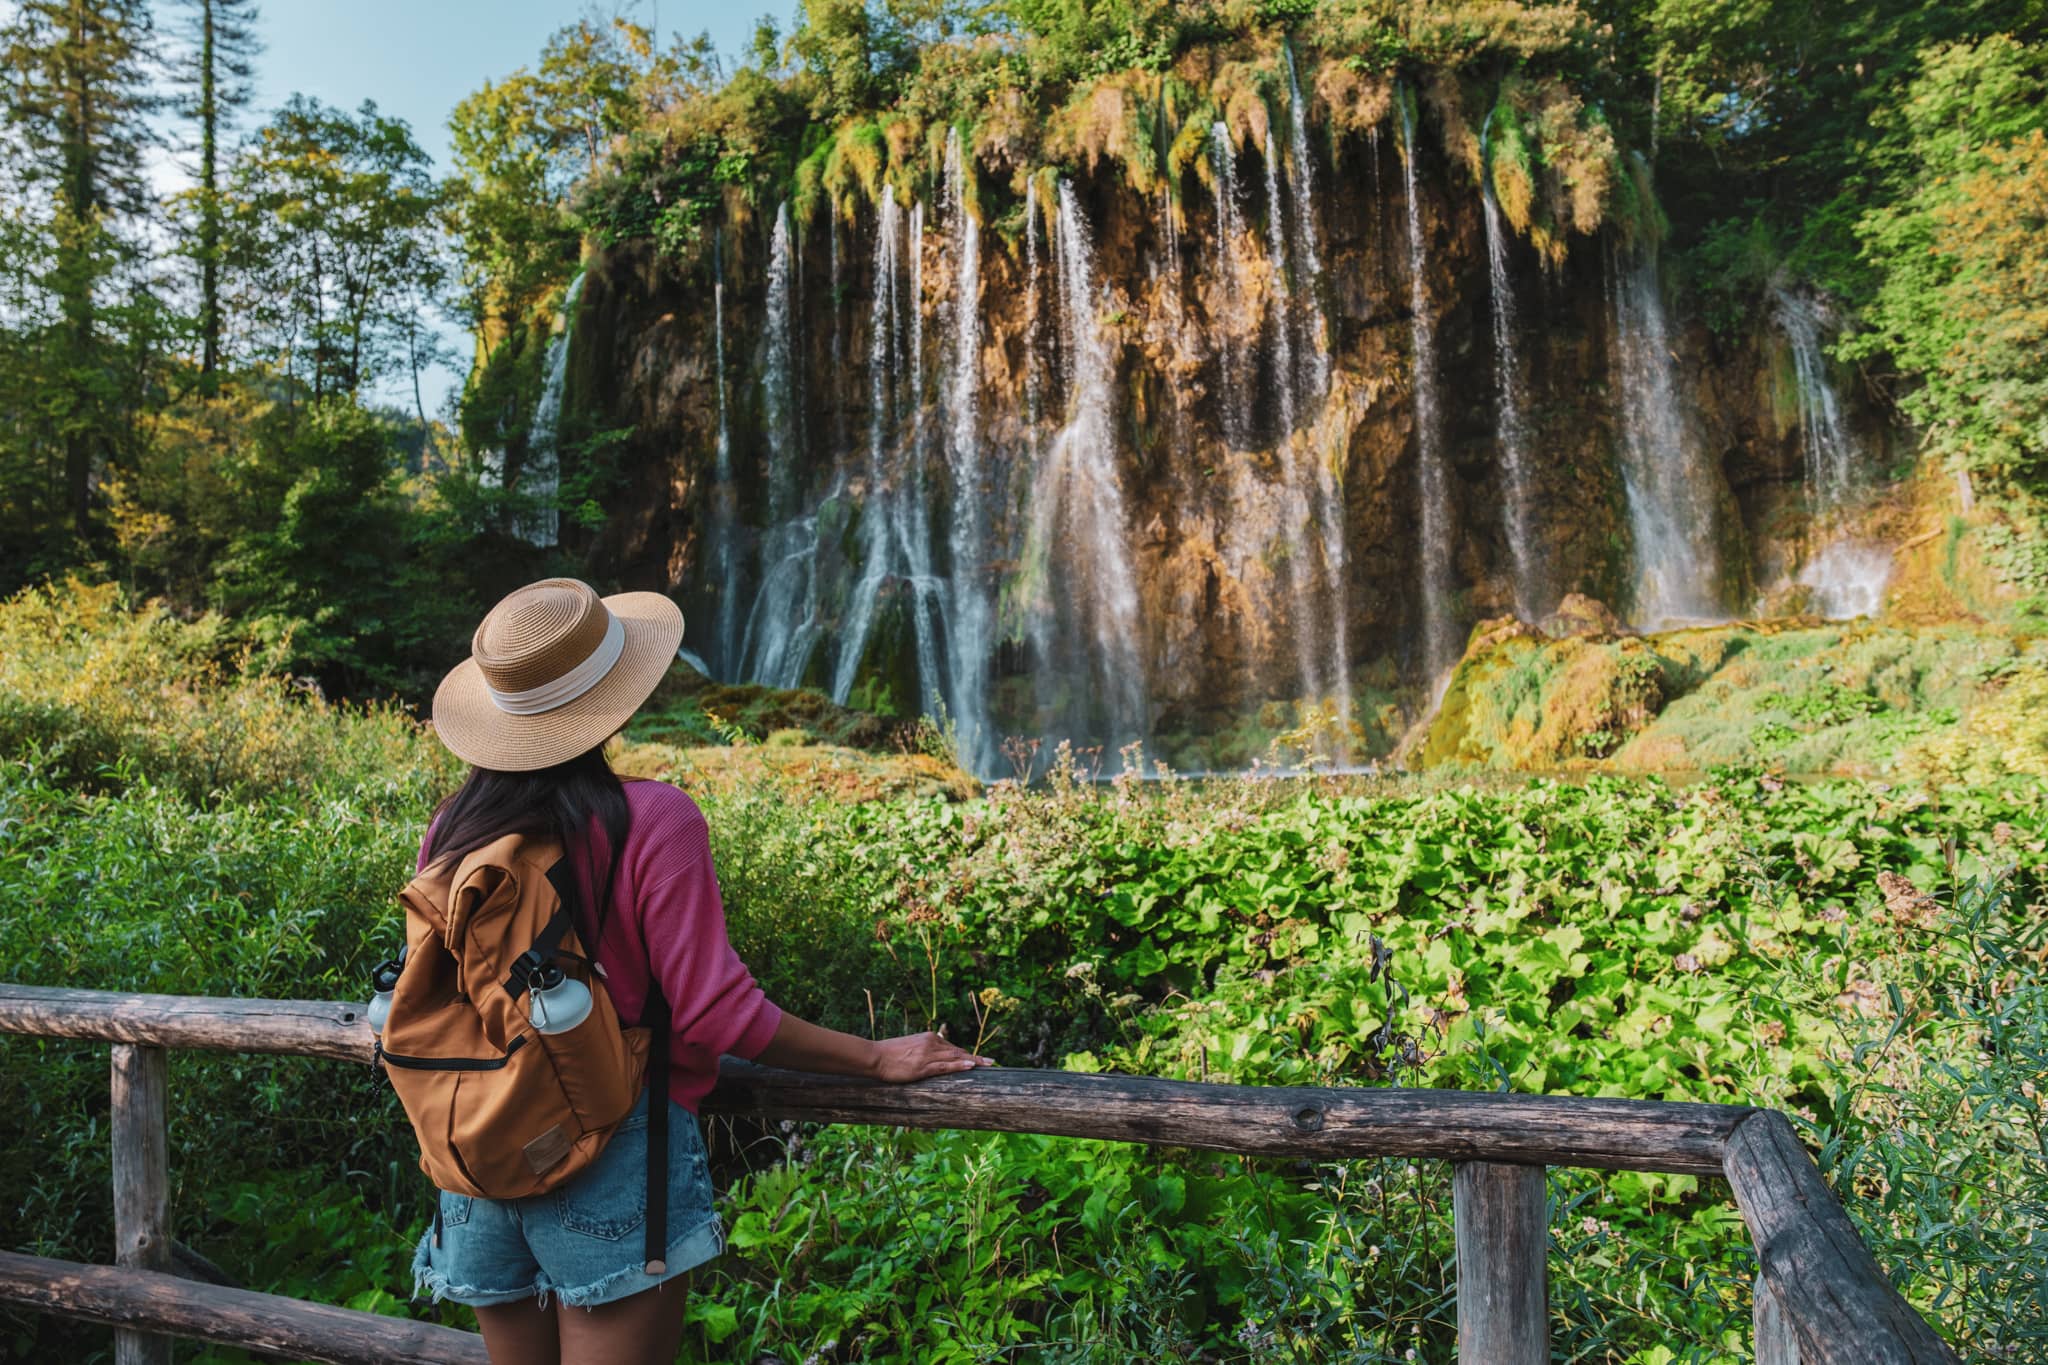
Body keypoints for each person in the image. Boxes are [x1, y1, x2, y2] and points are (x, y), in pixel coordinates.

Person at [408, 577, 990, 1364]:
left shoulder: (455, 824)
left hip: (476, 1153)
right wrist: (876, 1056)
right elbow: (721, 1015)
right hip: (614, 1151)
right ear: (615, 698)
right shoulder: (655, 819)